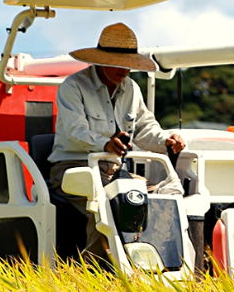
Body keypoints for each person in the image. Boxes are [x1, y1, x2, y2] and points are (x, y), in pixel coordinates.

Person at [48, 22, 186, 262]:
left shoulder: (131, 88)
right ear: (101, 60)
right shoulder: (73, 86)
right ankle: (94, 270)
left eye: (129, 66)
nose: (125, 71)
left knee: (160, 197)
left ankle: (162, 265)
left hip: (115, 171)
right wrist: (105, 144)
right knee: (109, 204)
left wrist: (166, 140)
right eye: (119, 64)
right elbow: (74, 131)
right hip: (73, 167)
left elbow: (145, 128)